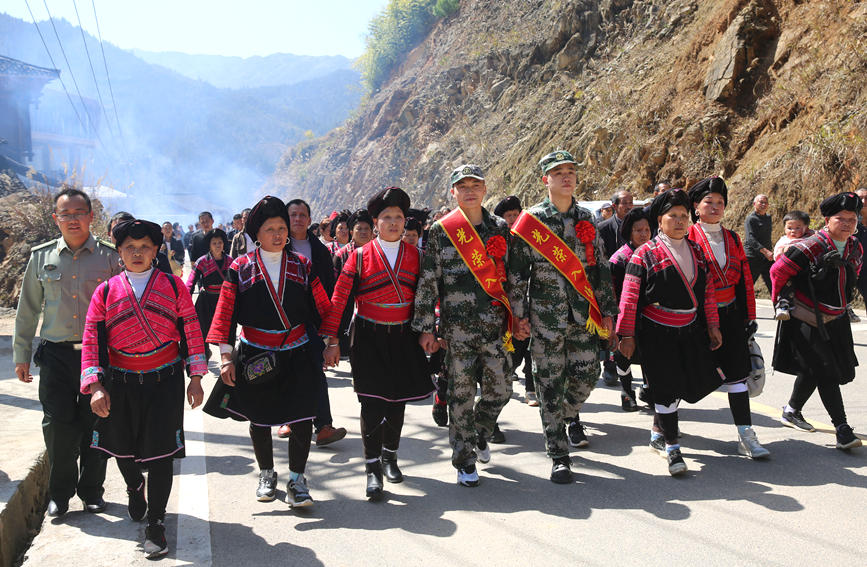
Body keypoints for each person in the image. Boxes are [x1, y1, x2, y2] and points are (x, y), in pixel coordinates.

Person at [80, 219, 206, 558]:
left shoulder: (174, 287)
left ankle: (156, 523)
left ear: (155, 251)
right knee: (122, 448)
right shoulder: (105, 292)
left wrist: (195, 377)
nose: (137, 253)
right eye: (130, 248)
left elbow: (191, 329)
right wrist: (95, 385)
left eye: (145, 247)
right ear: (119, 253)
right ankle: (135, 486)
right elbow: (92, 338)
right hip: (120, 382)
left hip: (165, 381)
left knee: (162, 452)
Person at [203, 196, 332, 508]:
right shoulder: (240, 268)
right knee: (259, 417)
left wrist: (332, 342)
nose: (278, 234)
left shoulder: (302, 266)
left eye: (282, 228)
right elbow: (225, 314)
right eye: (270, 229)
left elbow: (323, 308)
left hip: (298, 352)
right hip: (255, 354)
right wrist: (225, 357)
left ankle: (297, 480)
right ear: (256, 235)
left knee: (302, 416)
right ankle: (266, 474)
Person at [413, 164, 527, 487]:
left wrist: (519, 317)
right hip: (457, 333)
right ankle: (464, 460)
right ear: (454, 192)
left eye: (475, 185)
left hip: (495, 328)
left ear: (485, 189)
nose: (470, 191)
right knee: (460, 397)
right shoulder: (442, 230)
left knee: (501, 389)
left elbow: (514, 278)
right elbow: (429, 280)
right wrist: (426, 327)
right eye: (463, 186)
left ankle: (479, 431)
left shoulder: (499, 228)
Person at [509, 150, 618, 483]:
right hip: (546, 318)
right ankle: (558, 454)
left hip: (583, 316)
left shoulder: (586, 217)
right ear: (546, 179)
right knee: (549, 384)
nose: (566, 177)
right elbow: (517, 275)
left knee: (588, 374)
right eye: (558, 173)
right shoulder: (530, 222)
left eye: (570, 171)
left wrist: (608, 311)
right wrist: (518, 317)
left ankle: (562, 415)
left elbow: (600, 268)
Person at [13, 186, 121, 517]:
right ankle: (59, 495)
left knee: (96, 423)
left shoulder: (109, 258)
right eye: (66, 214)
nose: (73, 219)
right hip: (56, 356)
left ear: (91, 217)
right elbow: (27, 310)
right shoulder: (41, 257)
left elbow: (122, 309)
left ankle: (92, 491)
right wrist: (21, 355)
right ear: (55, 218)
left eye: (79, 213)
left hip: (97, 356)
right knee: (57, 427)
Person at [322, 187, 434, 498]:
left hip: (404, 336)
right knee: (372, 403)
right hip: (368, 336)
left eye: (399, 217)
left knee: (397, 402)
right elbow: (340, 300)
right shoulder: (359, 257)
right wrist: (332, 340)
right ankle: (372, 468)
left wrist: (429, 331)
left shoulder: (418, 257)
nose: (394, 222)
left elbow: (428, 299)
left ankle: (390, 457)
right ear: (376, 222)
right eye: (387, 217)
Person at [617, 189, 723, 476]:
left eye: (683, 216)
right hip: (656, 332)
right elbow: (629, 298)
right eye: (672, 216)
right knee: (665, 388)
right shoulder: (644, 254)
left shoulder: (697, 251)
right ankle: (673, 448)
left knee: (682, 385)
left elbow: (708, 292)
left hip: (689, 329)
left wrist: (713, 324)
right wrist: (626, 335)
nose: (679, 221)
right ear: (659, 221)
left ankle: (658, 429)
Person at [772, 192, 862, 450]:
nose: (847, 224)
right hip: (807, 319)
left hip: (837, 317)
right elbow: (778, 271)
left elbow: (853, 275)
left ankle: (791, 410)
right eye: (840, 218)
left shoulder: (855, 246)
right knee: (825, 370)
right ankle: (842, 429)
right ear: (826, 220)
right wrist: (781, 301)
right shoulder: (810, 245)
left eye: (852, 219)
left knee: (815, 369)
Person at [687, 177, 769, 459]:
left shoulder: (732, 238)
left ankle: (746, 436)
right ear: (696, 206)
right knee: (684, 373)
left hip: (731, 317)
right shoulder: (687, 237)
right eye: (709, 201)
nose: (715, 207)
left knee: (737, 376)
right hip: (697, 318)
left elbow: (745, 280)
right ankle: (662, 430)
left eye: (720, 202)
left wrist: (749, 317)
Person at [277, 199, 346, 446]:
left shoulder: (320, 251)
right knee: (285, 371)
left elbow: (330, 289)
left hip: (312, 322)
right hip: (281, 320)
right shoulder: (276, 246)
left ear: (309, 219)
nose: (297, 219)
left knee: (316, 372)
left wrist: (331, 333)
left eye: (302, 215)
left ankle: (324, 426)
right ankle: (287, 420)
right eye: (292, 214)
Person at [608, 207, 652, 411]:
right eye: (638, 230)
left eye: (647, 230)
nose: (643, 234)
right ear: (629, 232)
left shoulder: (654, 253)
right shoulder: (619, 260)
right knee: (623, 356)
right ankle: (627, 392)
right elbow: (612, 294)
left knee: (649, 356)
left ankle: (649, 391)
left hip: (650, 316)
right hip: (624, 315)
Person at [495, 195, 536, 408]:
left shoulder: (532, 237)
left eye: (515, 214)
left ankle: (531, 389)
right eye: (508, 215)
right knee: (513, 351)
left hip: (531, 303)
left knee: (531, 348)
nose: (512, 219)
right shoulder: (495, 240)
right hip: (505, 304)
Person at [597, 190, 634, 386]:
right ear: (614, 206)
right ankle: (610, 366)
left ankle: (629, 365)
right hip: (611, 283)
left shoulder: (639, 225)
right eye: (624, 203)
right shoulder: (603, 228)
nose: (629, 206)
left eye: (631, 202)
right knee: (611, 325)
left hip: (634, 282)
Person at [185, 229, 232, 359]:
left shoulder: (230, 261)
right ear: (209, 245)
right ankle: (205, 355)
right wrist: (185, 301)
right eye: (214, 243)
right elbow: (190, 282)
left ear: (224, 244)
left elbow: (237, 283)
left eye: (220, 242)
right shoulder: (202, 261)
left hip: (224, 302)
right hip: (206, 302)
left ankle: (226, 360)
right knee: (202, 331)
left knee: (225, 332)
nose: (217, 245)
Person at [772, 210, 813, 320]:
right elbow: (777, 256)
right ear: (784, 228)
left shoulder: (809, 238)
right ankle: (783, 305)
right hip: (789, 269)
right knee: (787, 284)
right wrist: (784, 251)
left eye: (797, 228)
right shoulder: (784, 241)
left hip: (806, 269)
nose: (793, 231)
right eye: (789, 228)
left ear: (806, 228)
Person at [744, 194, 774, 295]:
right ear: (754, 204)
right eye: (761, 202)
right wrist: (765, 251)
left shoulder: (768, 218)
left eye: (766, 202)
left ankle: (779, 304)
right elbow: (750, 239)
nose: (763, 204)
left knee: (773, 283)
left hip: (767, 258)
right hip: (753, 257)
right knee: (747, 285)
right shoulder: (751, 219)